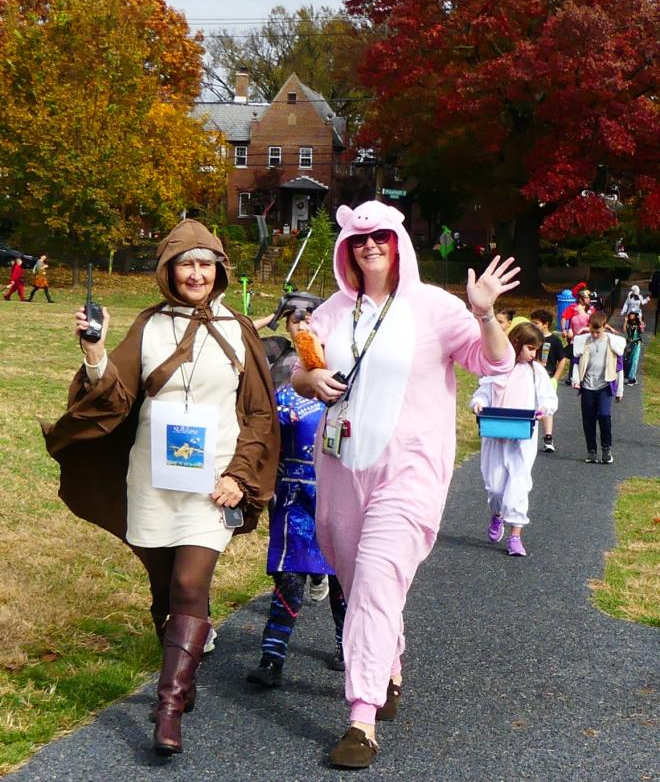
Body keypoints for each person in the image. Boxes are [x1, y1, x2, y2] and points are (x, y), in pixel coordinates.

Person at [292, 201, 519, 769]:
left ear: (398, 243)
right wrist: (310, 376)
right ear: (347, 249)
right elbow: (302, 370)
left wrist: (486, 314)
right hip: (342, 467)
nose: (370, 248)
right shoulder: (332, 311)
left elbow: (495, 365)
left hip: (410, 471)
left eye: (381, 239)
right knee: (354, 576)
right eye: (360, 241)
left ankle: (360, 719)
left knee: (374, 577)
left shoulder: (436, 308)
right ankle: (387, 662)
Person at [42, 220, 279, 758]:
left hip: (212, 481)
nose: (196, 274)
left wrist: (239, 475)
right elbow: (113, 396)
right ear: (168, 270)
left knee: (191, 586)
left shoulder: (238, 328)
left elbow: (260, 413)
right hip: (152, 476)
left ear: (218, 269)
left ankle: (167, 707)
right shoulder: (149, 326)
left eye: (205, 263)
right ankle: (185, 675)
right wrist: (95, 351)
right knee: (162, 587)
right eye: (185, 263)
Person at [247, 296, 347, 688]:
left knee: (342, 580)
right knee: (288, 579)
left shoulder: (342, 370)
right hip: (291, 496)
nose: (301, 325)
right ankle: (272, 657)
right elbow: (239, 342)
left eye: (309, 318)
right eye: (293, 319)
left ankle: (348, 646)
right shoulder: (278, 372)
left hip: (337, 492)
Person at [470, 322, 558, 557]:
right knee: (496, 486)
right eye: (530, 348)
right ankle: (497, 514)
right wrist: (478, 404)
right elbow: (483, 392)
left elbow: (548, 397)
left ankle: (516, 536)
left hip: (522, 435)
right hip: (496, 434)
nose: (533, 354)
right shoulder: (498, 368)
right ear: (516, 343)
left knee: (519, 483)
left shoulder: (535, 371)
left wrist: (543, 408)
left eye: (536, 349)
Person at [571, 311, 625, 464]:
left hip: (605, 386)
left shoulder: (612, 344)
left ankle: (606, 448)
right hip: (588, 385)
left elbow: (619, 369)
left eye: (598, 332)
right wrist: (576, 380)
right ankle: (591, 450)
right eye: (592, 331)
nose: (594, 335)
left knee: (604, 415)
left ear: (604, 327)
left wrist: (619, 390)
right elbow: (576, 362)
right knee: (588, 419)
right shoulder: (584, 342)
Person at [529, 309, 566, 452]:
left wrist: (556, 377)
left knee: (547, 406)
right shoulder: (532, 338)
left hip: (549, 376)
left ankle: (548, 437)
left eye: (536, 323)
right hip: (532, 376)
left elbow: (562, 359)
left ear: (545, 324)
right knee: (532, 404)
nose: (533, 325)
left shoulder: (554, 341)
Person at [623, 312, 643, 386]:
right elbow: (624, 330)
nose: (631, 316)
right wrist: (625, 321)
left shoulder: (638, 323)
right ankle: (631, 377)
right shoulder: (627, 323)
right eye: (630, 315)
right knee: (628, 360)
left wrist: (640, 321)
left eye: (633, 315)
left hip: (637, 343)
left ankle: (631, 379)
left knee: (634, 360)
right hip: (629, 344)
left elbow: (642, 330)